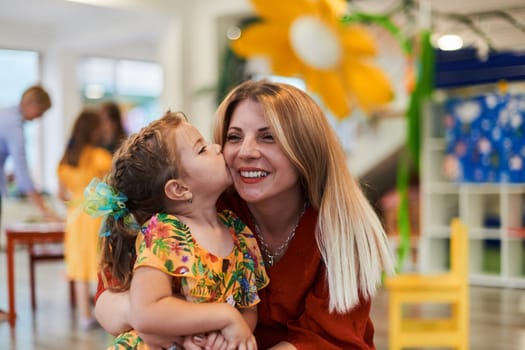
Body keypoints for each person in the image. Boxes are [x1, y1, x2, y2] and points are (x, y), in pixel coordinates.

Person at [94, 80, 395, 349]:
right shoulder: (203, 209)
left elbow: (327, 339)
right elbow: (110, 299)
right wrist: (175, 323)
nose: (246, 151)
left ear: (304, 148)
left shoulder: (342, 229)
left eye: (268, 137)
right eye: (235, 137)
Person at [86, 112, 268, 349]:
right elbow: (147, 311)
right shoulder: (165, 232)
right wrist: (225, 316)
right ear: (179, 189)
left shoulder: (239, 233)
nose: (216, 147)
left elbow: (248, 307)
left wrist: (228, 333)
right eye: (201, 149)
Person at [57, 109, 113, 330]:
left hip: (75, 215)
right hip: (96, 213)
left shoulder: (66, 159)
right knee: (104, 260)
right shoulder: (99, 156)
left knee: (80, 264)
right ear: (93, 131)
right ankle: (108, 311)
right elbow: (112, 182)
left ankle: (84, 314)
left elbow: (61, 194)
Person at [0, 85, 60, 220]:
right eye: (41, 111)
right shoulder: (14, 126)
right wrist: (45, 210)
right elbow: (22, 170)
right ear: (31, 104)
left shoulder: (5, 115)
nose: (39, 117)